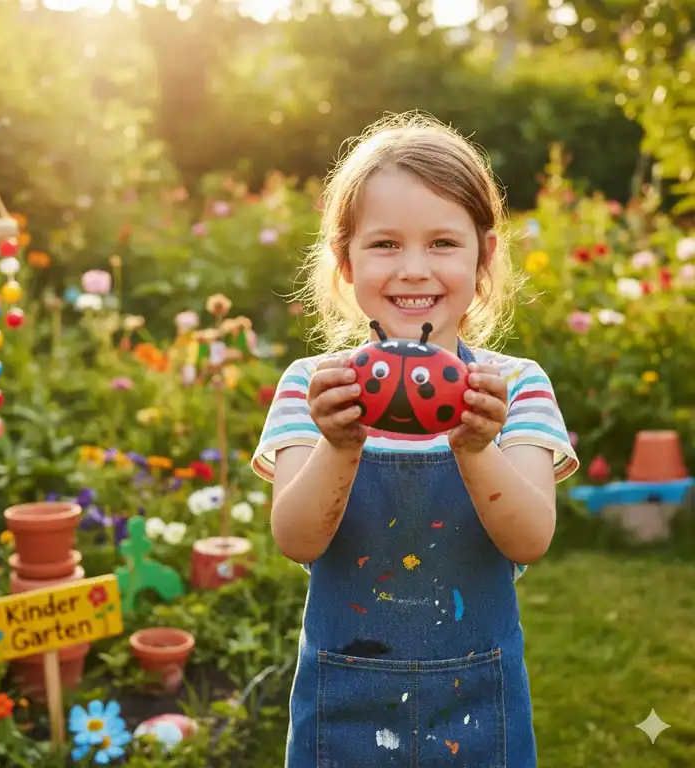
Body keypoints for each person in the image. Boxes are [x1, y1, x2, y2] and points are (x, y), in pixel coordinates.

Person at [251, 112, 578, 767]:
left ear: (483, 257)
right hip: (344, 705)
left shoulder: (514, 388)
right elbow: (296, 539)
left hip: (477, 704)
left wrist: (476, 446)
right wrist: (338, 445)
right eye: (384, 244)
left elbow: (529, 538)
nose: (412, 269)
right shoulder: (314, 388)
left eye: (441, 243)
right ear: (345, 262)